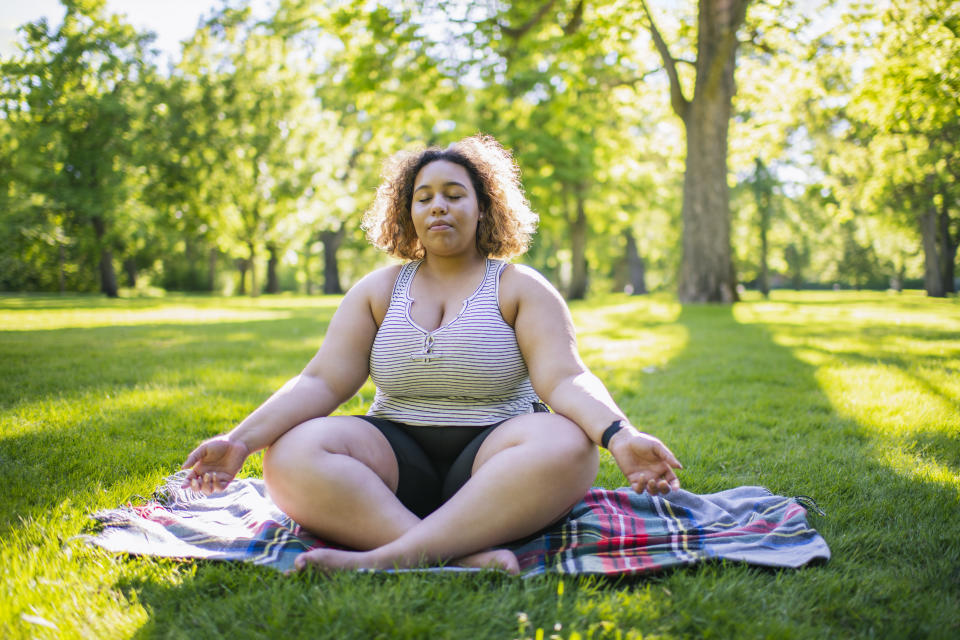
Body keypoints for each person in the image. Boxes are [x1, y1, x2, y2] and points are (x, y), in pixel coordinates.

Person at [180, 134, 682, 574]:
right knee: (289, 452)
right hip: (395, 463)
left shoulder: (519, 287)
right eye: (424, 198)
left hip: (497, 464)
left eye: (454, 194)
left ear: (484, 208)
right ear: (409, 214)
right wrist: (241, 441)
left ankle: (389, 558)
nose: (438, 206)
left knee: (569, 444)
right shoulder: (377, 291)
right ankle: (458, 555)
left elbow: (565, 379)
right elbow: (321, 382)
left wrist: (619, 434)